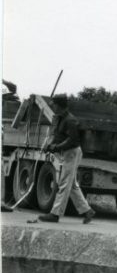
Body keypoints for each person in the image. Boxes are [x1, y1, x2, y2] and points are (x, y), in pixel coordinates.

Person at [38, 95, 95, 223]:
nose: (52, 106)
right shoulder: (60, 118)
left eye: (54, 104)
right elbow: (58, 136)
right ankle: (87, 211)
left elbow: (73, 140)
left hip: (72, 153)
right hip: (68, 153)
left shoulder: (70, 120)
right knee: (72, 185)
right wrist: (50, 145)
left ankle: (55, 214)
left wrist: (56, 147)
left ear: (59, 105)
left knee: (64, 183)